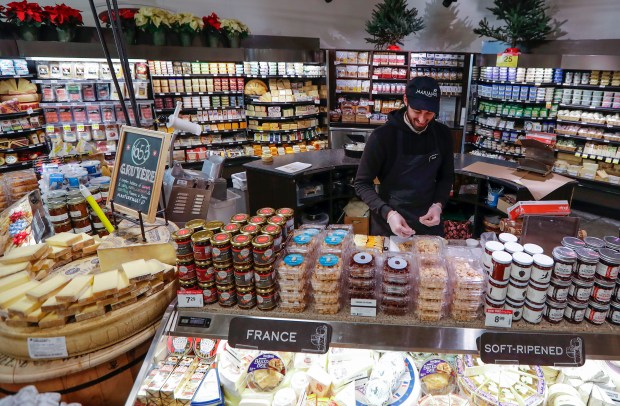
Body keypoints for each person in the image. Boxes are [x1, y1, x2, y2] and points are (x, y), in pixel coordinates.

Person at [354, 76, 454, 237]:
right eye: (417, 111)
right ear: (406, 100)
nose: (422, 119)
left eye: (429, 113)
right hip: (390, 223)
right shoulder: (382, 136)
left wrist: (438, 205)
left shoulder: (442, 135)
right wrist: (388, 213)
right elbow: (361, 183)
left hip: (428, 222)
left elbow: (446, 177)